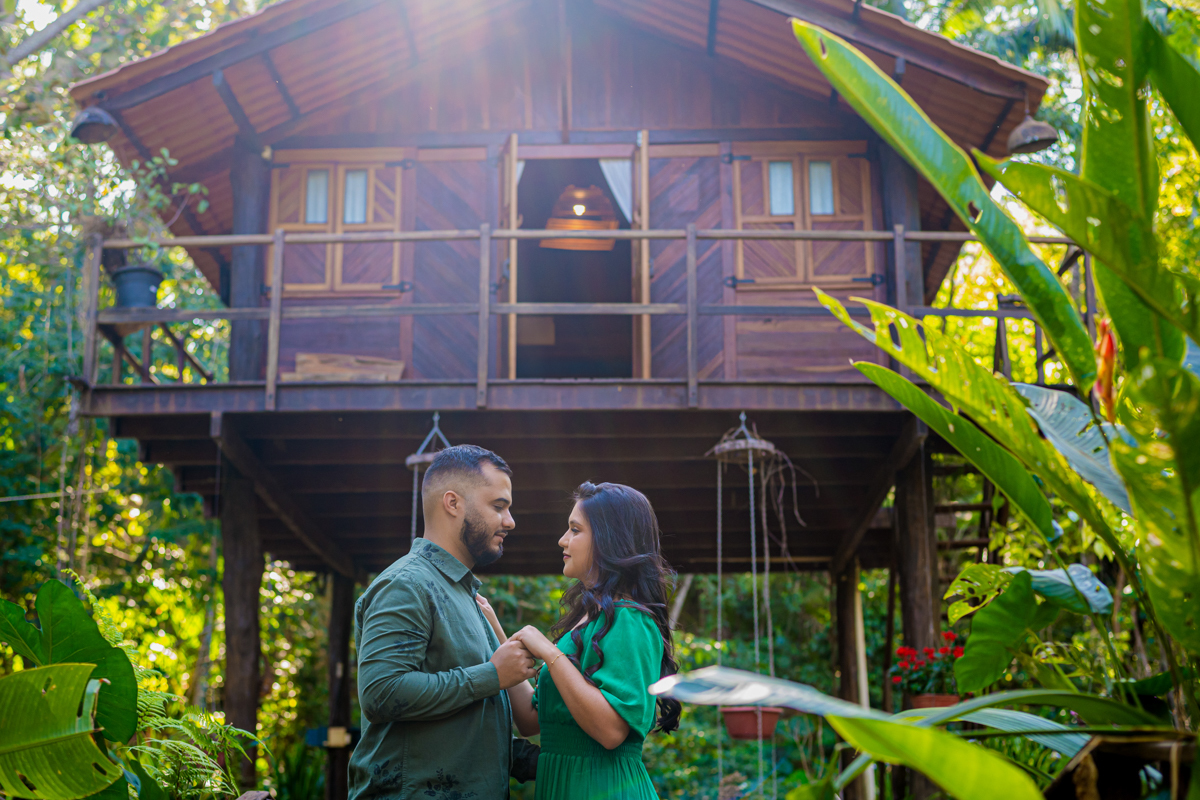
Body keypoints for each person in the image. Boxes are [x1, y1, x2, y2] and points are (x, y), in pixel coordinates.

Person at [349, 444, 536, 800]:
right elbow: (381, 693)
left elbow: (466, 728)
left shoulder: (467, 596)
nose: (510, 521)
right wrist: (492, 676)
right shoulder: (406, 584)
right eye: (499, 506)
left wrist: (553, 762)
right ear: (453, 503)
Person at [477, 481, 682, 800]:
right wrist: (495, 631)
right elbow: (531, 720)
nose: (563, 540)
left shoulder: (630, 620)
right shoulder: (588, 620)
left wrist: (547, 650)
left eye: (575, 529)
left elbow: (612, 732)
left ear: (609, 538)